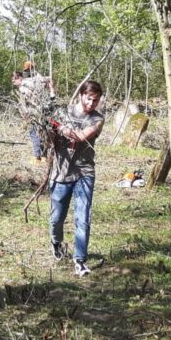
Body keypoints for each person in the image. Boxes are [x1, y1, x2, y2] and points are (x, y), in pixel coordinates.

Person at [48, 81, 105, 276]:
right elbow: (51, 135)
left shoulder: (98, 118)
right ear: (81, 95)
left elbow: (81, 136)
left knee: (83, 217)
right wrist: (50, 129)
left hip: (84, 172)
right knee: (57, 218)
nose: (91, 103)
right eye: (88, 98)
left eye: (95, 100)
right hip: (61, 172)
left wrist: (62, 128)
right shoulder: (65, 112)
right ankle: (56, 243)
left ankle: (80, 260)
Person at [11, 64, 56, 164]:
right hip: (42, 111)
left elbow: (28, 99)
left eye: (14, 81)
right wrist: (52, 92)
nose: (14, 83)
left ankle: (37, 157)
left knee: (34, 134)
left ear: (19, 78)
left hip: (34, 114)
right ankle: (43, 156)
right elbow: (48, 79)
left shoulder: (24, 85)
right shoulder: (36, 79)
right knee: (42, 134)